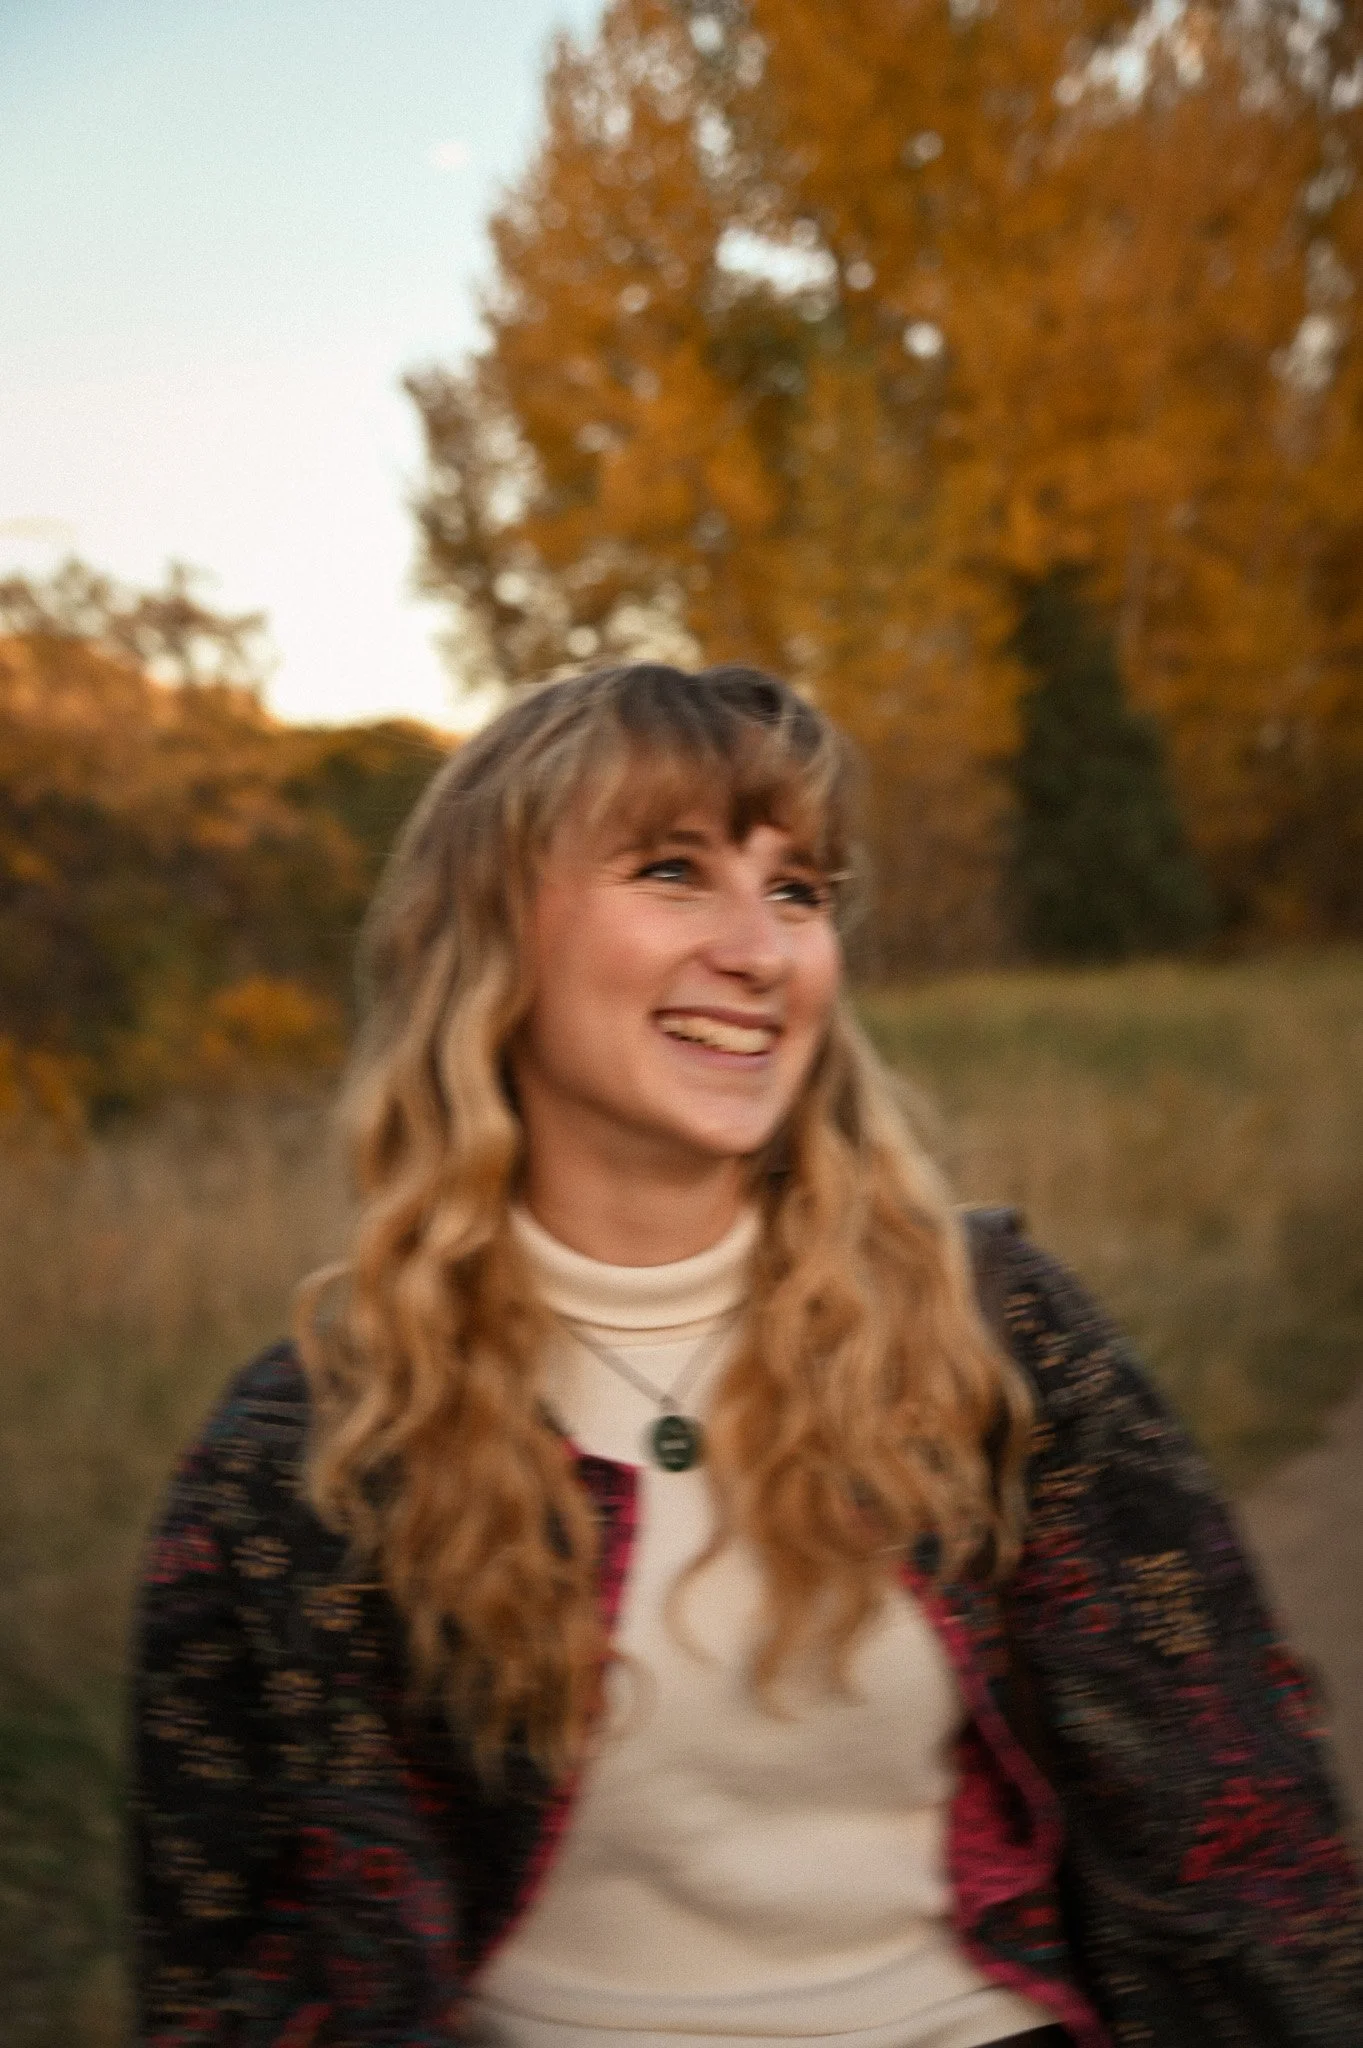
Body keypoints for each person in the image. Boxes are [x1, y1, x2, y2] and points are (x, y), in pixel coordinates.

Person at [131, 663, 1362, 2048]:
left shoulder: (986, 1336)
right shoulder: (313, 1442)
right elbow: (233, 1966)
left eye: (798, 890)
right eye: (673, 871)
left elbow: (1238, 1832)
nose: (763, 952)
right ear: (491, 933)